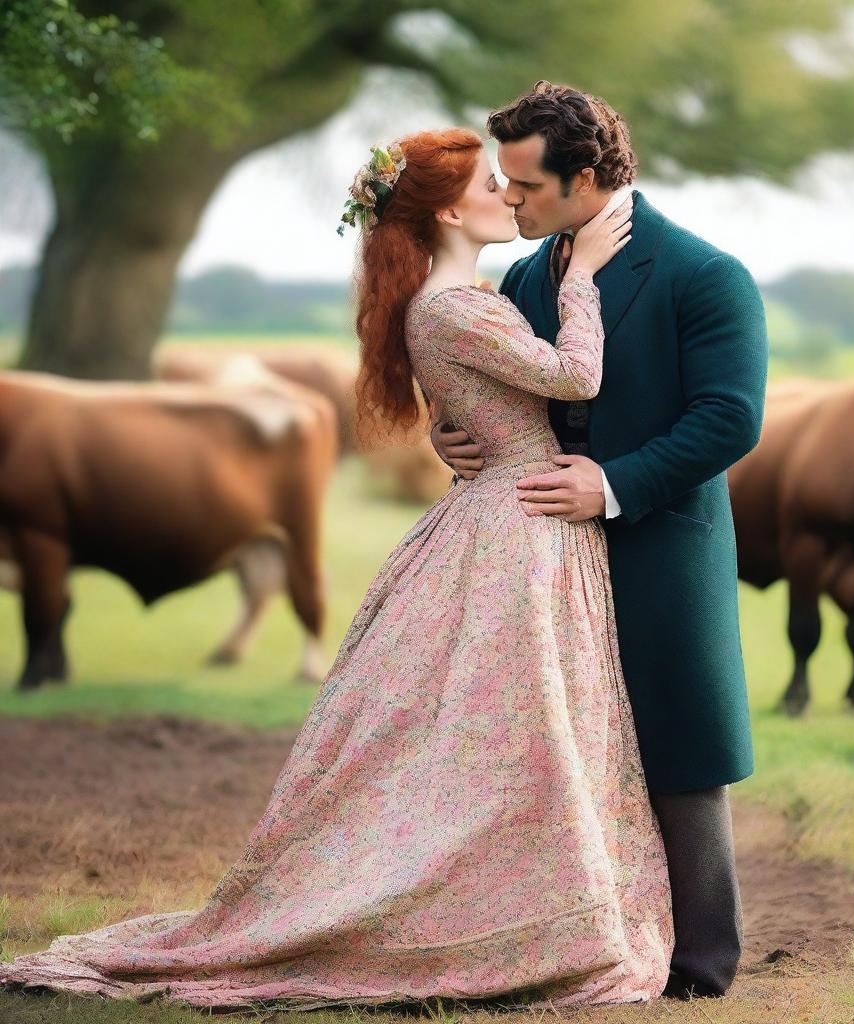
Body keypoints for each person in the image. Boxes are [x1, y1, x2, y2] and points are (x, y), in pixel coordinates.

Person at [0, 127, 673, 1011]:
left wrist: (452, 432)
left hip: (521, 515)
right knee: (516, 736)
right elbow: (576, 377)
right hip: (519, 524)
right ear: (445, 209)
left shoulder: (458, 299)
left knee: (521, 737)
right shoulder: (453, 304)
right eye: (490, 185)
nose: (509, 197)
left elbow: (488, 403)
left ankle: (522, 904)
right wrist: (582, 280)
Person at [431, 82, 769, 999]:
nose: (511, 202)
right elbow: (508, 390)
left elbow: (731, 421)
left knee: (679, 743)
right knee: (555, 745)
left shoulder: (705, 273)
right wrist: (452, 436)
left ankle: (701, 964)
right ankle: (573, 945)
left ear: (584, 177)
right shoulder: (526, 275)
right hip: (541, 545)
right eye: (502, 184)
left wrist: (613, 485)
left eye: (527, 186)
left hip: (661, 538)